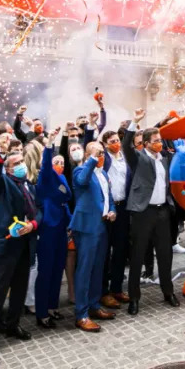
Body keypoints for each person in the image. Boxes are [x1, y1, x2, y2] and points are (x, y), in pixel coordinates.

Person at [0, 150, 38, 355]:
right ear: (8, 169)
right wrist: (0, 156)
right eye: (16, 163)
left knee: (20, 287)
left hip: (24, 243)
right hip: (6, 244)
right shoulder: (5, 182)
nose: (21, 165)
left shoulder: (29, 185)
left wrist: (33, 224)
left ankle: (13, 324)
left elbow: (38, 209)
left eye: (22, 161)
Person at [123, 109, 179, 315]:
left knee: (165, 254)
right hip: (143, 212)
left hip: (162, 211)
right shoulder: (138, 158)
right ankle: (134, 298)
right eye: (155, 141)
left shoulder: (163, 158)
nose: (159, 144)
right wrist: (134, 121)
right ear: (146, 143)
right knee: (137, 255)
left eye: (160, 140)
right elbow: (126, 146)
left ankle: (168, 292)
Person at [70, 142, 116, 331]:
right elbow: (82, 181)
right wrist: (92, 159)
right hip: (87, 227)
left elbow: (109, 197)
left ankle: (94, 305)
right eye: (98, 153)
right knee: (85, 269)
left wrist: (112, 210)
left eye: (102, 153)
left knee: (98, 268)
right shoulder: (81, 170)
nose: (101, 156)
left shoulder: (103, 174)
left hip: (102, 225)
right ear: (88, 155)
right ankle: (81, 314)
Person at [34, 149, 72, 329]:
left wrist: (71, 223)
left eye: (63, 163)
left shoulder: (62, 178)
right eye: (57, 162)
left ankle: (52, 306)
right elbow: (45, 168)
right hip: (48, 229)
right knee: (46, 271)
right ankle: (42, 313)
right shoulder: (45, 179)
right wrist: (48, 147)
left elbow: (64, 202)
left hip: (61, 228)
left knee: (57, 270)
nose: (60, 165)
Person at [100, 129, 131, 309]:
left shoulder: (125, 157)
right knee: (105, 251)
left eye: (117, 140)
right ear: (105, 144)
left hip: (123, 207)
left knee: (120, 249)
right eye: (111, 141)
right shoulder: (105, 159)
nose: (116, 143)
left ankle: (117, 288)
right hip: (107, 209)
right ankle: (103, 291)